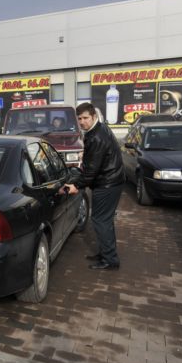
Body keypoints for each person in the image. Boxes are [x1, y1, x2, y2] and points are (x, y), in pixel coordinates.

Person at [60, 103, 125, 270]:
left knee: (100, 220)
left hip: (107, 183)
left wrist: (76, 185)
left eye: (85, 118)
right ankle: (107, 254)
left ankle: (110, 260)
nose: (82, 122)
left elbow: (91, 172)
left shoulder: (96, 136)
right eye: (79, 119)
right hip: (111, 180)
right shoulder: (98, 130)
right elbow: (92, 164)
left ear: (94, 116)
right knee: (105, 220)